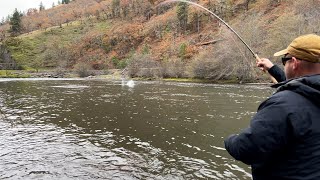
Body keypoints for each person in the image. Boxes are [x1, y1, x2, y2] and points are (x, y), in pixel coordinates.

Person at [224, 34, 320, 180]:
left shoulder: (283, 105)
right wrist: (273, 69)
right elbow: (305, 87)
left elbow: (246, 149)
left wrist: (230, 139)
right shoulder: (308, 94)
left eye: (284, 61)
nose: (284, 64)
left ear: (294, 62)